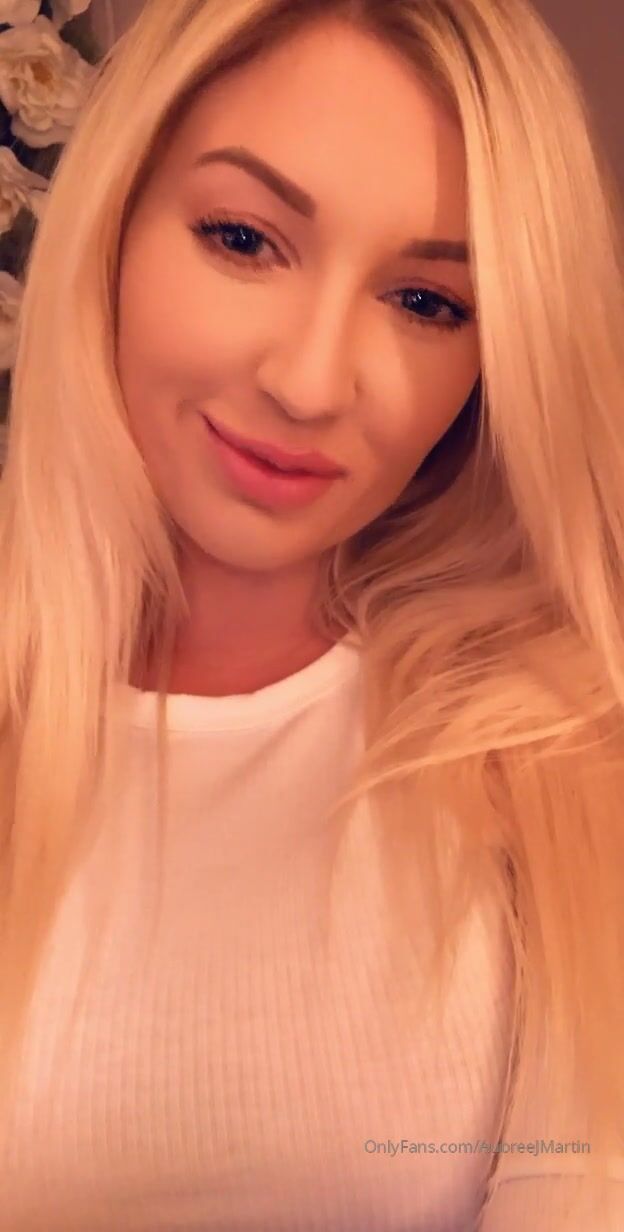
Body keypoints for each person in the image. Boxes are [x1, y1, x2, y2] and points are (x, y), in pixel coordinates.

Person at [0, 0, 622, 1227]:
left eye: (429, 303)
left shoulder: (563, 756)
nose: (307, 381)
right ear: (113, 220)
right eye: (243, 238)